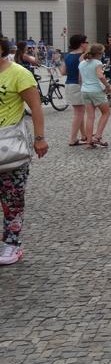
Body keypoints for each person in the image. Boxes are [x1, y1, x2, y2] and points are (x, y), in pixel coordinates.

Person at [0, 38, 49, 265]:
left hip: (9, 144)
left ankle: (12, 244)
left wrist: (40, 139)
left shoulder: (18, 73)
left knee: (12, 198)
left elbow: (36, 107)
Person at [78, 44, 111, 148]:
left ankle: (89, 142)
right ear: (98, 54)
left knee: (90, 117)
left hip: (85, 91)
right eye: (102, 53)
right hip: (96, 91)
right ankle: (97, 136)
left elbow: (80, 79)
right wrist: (108, 86)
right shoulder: (97, 63)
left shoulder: (82, 63)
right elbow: (100, 76)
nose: (102, 55)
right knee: (106, 113)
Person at [59, 34, 89, 146]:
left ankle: (84, 135)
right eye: (86, 42)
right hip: (78, 85)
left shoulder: (67, 55)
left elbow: (62, 72)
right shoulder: (83, 56)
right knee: (79, 113)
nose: (87, 44)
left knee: (79, 112)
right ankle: (72, 138)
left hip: (69, 84)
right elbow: (81, 75)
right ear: (81, 44)